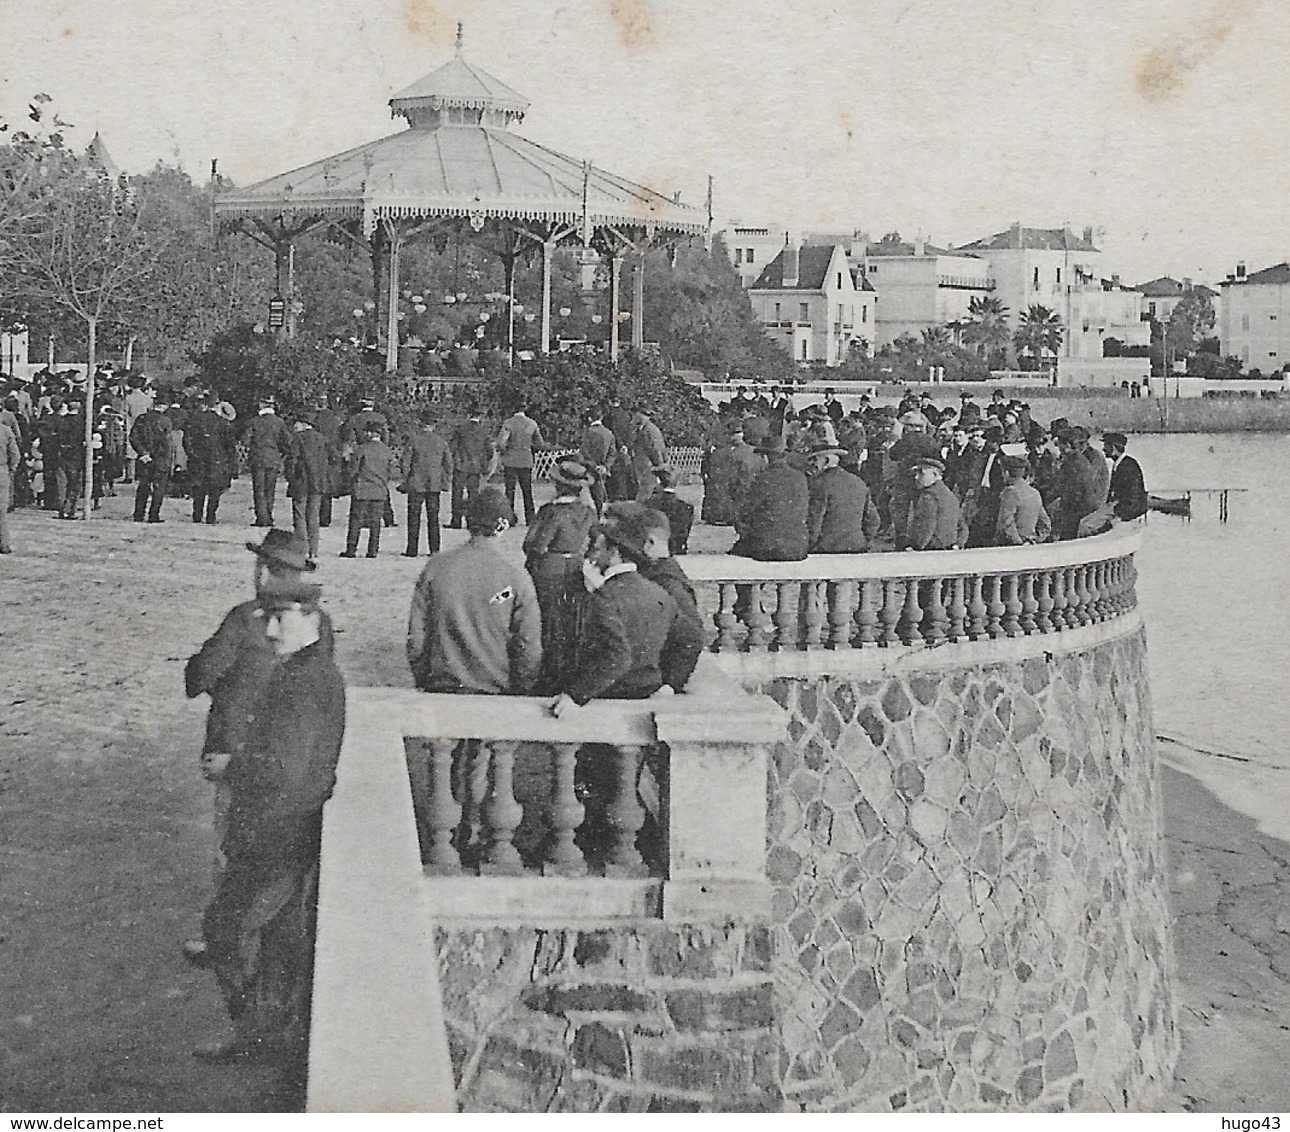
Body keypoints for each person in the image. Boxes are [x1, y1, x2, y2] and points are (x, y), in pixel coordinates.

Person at [195, 577, 345, 1084]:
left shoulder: (305, 682)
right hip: (291, 827)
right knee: (280, 939)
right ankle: (270, 1034)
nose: (273, 629)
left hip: (277, 830)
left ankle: (257, 1032)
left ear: (311, 619)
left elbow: (282, 766)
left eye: (282, 618)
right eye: (269, 618)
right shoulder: (313, 672)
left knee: (227, 927)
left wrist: (229, 767)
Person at [184, 529, 332, 966]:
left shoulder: (245, 618)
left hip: (236, 752)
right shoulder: (316, 622)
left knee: (231, 849)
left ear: (265, 570)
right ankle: (261, 937)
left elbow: (198, 676)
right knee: (276, 855)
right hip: (291, 759)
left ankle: (226, 941)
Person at [549, 503, 700, 716]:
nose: (592, 554)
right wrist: (670, 684)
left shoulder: (604, 596)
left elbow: (617, 657)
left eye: (599, 548)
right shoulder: (658, 593)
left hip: (606, 699)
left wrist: (575, 695)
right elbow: (691, 637)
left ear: (615, 553)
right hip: (647, 694)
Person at [406, 485, 542, 695]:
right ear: (502, 525)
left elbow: (416, 639)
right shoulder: (516, 577)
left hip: (441, 688)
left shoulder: (436, 567)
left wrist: (425, 678)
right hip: (495, 689)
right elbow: (529, 645)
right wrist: (520, 688)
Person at [523, 458, 597, 692]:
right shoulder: (587, 512)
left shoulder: (550, 512)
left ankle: (545, 672)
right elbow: (596, 541)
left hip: (549, 569)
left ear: (558, 485)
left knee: (546, 619)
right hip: (576, 567)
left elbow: (533, 545)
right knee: (569, 621)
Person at [731, 433, 809, 561]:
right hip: (797, 547)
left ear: (766, 457)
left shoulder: (764, 478)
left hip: (768, 547)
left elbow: (745, 512)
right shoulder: (800, 478)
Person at [806, 438, 880, 554]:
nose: (812, 464)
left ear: (826, 461)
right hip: (856, 546)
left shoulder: (819, 485)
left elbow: (814, 522)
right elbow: (873, 520)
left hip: (826, 549)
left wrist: (810, 546)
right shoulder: (858, 482)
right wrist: (864, 539)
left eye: (815, 459)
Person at [400, 410, 453, 558]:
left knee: (413, 517)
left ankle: (412, 550)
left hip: (416, 484)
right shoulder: (441, 442)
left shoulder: (414, 441)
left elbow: (405, 463)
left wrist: (407, 479)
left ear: (420, 424)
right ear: (434, 425)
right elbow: (448, 464)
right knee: (433, 518)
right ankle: (434, 550)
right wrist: (445, 481)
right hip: (434, 484)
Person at [341, 422, 396, 558]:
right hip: (379, 490)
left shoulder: (362, 449)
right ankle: (373, 550)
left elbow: (353, 470)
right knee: (375, 521)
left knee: (356, 520)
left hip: (362, 489)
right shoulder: (387, 450)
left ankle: (351, 549)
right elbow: (392, 471)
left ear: (370, 433)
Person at [286, 412, 332, 565]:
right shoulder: (322, 438)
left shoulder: (298, 439)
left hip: (301, 483)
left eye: (296, 423)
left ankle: (301, 549)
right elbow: (333, 458)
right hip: (318, 484)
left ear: (303, 423)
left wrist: (291, 478)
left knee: (299, 516)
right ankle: (314, 551)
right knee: (313, 518)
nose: (294, 426)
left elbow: (292, 460)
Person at [244, 396, 295, 527]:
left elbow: (245, 440)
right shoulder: (279, 422)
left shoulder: (254, 422)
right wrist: (281, 452)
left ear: (262, 405)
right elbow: (288, 441)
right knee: (270, 489)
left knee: (259, 489)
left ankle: (262, 518)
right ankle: (269, 516)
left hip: (258, 458)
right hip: (273, 459)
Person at [188, 400, 238, 525]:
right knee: (215, 490)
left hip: (199, 459)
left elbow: (188, 439)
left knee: (199, 487)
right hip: (217, 460)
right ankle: (211, 516)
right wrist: (232, 466)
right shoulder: (224, 424)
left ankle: (197, 515)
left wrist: (192, 454)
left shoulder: (196, 419)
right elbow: (230, 447)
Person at [496, 401, 545, 524]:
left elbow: (501, 442)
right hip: (526, 459)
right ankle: (530, 518)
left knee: (509, 491)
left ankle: (509, 518)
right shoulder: (531, 424)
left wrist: (505, 451)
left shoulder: (509, 423)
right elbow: (540, 443)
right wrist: (529, 448)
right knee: (527, 490)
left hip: (511, 459)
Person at [129, 394, 174, 523]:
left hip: (144, 458)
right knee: (158, 488)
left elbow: (133, 437)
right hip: (160, 458)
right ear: (165, 406)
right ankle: (154, 515)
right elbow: (166, 443)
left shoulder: (142, 418)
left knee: (143, 486)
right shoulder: (165, 421)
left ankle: (138, 514)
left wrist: (143, 453)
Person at [901, 455, 961, 551]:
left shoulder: (928, 496)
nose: (916, 477)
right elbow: (962, 526)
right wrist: (958, 544)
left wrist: (916, 547)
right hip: (948, 549)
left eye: (921, 473)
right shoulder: (950, 496)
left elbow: (927, 526)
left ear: (934, 475)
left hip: (930, 550)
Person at [449, 407, 494, 529]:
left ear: (469, 414)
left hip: (460, 465)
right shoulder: (484, 431)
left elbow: (452, 447)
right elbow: (490, 451)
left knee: (457, 493)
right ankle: (472, 521)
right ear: (481, 417)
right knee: (473, 494)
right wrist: (483, 461)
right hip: (476, 466)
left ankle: (456, 520)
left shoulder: (460, 429)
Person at [994, 456, 1051, 545]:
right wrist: (1035, 539)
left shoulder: (1010, 492)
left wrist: (1019, 542)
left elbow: (1007, 522)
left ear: (1007, 473)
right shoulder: (1034, 492)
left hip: (1011, 546)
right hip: (1030, 543)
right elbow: (1046, 523)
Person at [643, 466, 693, 555]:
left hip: (655, 548)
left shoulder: (649, 504)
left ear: (659, 482)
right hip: (676, 548)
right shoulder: (686, 507)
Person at [578, 407, 616, 516]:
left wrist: (593, 465)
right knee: (599, 491)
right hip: (603, 469)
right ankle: (599, 514)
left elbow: (584, 452)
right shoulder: (609, 433)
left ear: (590, 418)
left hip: (589, 468)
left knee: (588, 493)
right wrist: (605, 466)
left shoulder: (588, 433)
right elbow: (612, 453)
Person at [1104, 432, 1148, 521]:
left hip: (1129, 516)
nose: (1104, 449)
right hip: (1120, 512)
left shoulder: (1129, 466)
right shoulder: (1121, 464)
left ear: (1113, 448)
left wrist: (1119, 516)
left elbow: (1132, 497)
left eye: (1106, 446)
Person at [630, 411, 667, 502]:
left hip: (649, 466)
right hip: (644, 466)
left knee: (646, 490)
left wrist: (659, 466)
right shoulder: (642, 429)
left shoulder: (649, 430)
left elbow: (655, 449)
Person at [0, 414, 19, 553]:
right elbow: (15, 454)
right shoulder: (6, 431)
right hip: (1, 471)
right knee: (1, 510)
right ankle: (3, 543)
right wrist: (11, 469)